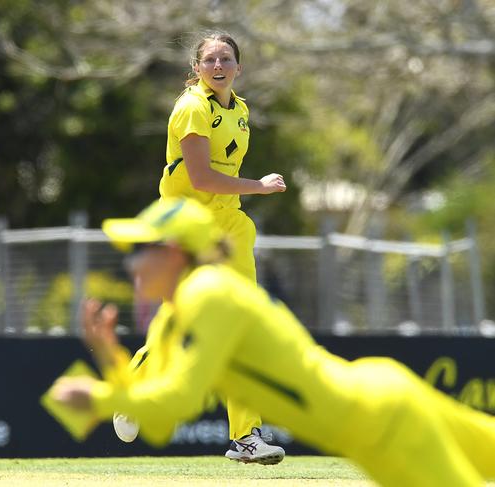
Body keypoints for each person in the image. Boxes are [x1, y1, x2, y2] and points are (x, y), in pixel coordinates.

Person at [51, 197, 495, 487]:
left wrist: (100, 398)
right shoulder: (174, 315)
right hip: (381, 402)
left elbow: (179, 400)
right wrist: (112, 361)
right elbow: (159, 425)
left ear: (173, 253)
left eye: (137, 251)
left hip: (381, 425)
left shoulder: (209, 293)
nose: (129, 266)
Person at [119, 30, 287, 464]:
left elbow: (221, 182)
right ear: (196, 68)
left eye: (225, 59)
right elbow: (201, 179)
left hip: (230, 225)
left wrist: (245, 197)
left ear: (238, 68)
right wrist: (260, 187)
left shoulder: (242, 111)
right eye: (209, 60)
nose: (217, 67)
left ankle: (245, 437)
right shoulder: (191, 107)